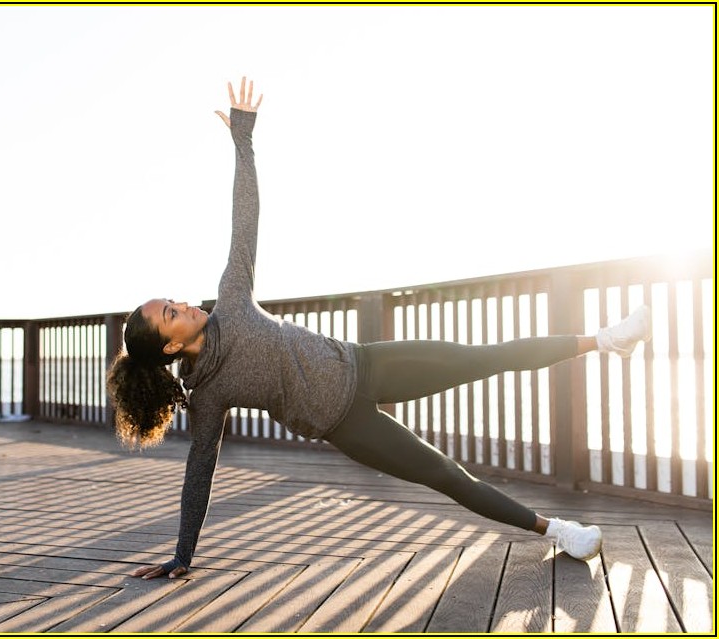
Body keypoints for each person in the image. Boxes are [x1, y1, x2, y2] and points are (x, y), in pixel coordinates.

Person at [107, 77, 652, 580]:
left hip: (366, 361)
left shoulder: (230, 298)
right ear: (172, 345)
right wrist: (181, 555)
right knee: (446, 475)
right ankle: (560, 532)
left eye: (173, 300)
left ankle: (607, 340)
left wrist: (243, 141)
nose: (183, 304)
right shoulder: (209, 394)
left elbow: (244, 218)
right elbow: (199, 473)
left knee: (486, 355)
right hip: (347, 424)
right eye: (171, 313)